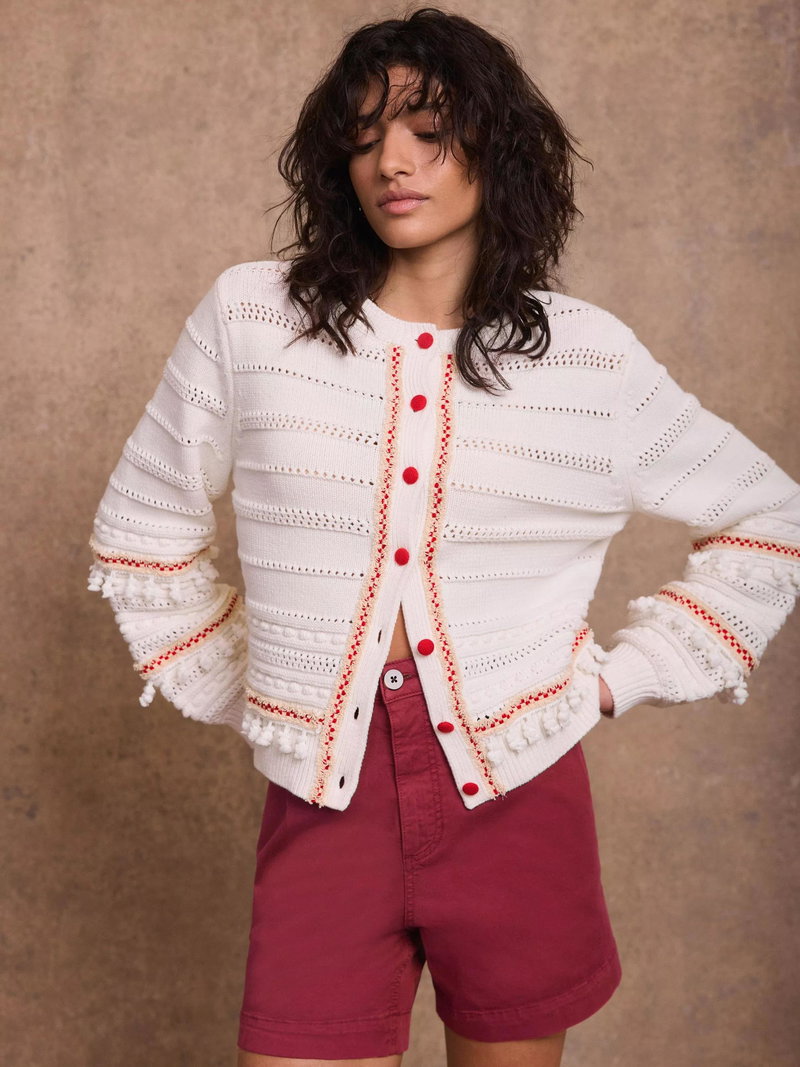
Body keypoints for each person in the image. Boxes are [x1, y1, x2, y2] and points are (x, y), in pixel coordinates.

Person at [86, 7, 800, 1067]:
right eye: (364, 136)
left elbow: (769, 516)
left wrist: (620, 679)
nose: (391, 162)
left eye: (426, 130)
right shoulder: (253, 320)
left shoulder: (587, 362)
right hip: (325, 802)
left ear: (495, 147)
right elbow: (143, 526)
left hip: (520, 794)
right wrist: (267, 685)